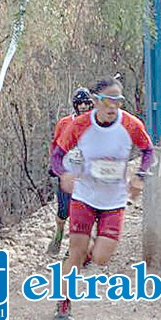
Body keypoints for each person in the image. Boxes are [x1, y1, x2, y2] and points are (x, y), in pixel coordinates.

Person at [50, 75, 155, 320]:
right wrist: (64, 174)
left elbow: (148, 150)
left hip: (114, 201)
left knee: (101, 258)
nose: (112, 107)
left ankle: (85, 251)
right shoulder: (79, 126)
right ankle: (63, 303)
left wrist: (140, 177)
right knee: (75, 253)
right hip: (84, 197)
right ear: (96, 101)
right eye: (107, 101)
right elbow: (57, 154)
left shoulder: (130, 125)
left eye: (118, 101)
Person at [46, 87, 94, 255]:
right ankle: (58, 235)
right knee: (63, 210)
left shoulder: (96, 123)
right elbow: (56, 145)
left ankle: (75, 248)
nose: (83, 107)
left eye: (86, 103)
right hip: (67, 172)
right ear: (75, 105)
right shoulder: (65, 123)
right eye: (79, 103)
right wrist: (54, 165)